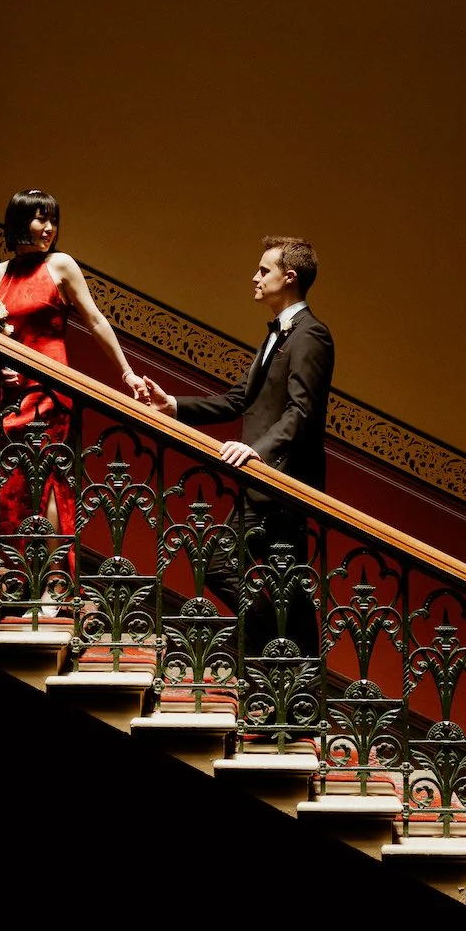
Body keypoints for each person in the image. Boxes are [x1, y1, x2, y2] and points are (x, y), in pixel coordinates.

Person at [135, 236, 333, 661]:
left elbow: (302, 412)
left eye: (264, 270)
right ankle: (291, 668)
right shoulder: (278, 334)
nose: (255, 277)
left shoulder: (312, 335)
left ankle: (285, 663)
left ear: (290, 277)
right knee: (286, 586)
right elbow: (237, 398)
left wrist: (257, 451)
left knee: (232, 567)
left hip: (283, 482)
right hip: (265, 479)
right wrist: (172, 405)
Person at [0, 190, 145, 596]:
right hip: (12, 390)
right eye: (39, 219)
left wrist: (127, 373)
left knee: (44, 477)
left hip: (50, 386)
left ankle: (55, 583)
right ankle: (19, 565)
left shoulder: (59, 265)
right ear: (17, 222)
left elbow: (95, 320)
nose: (48, 228)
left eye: (53, 220)